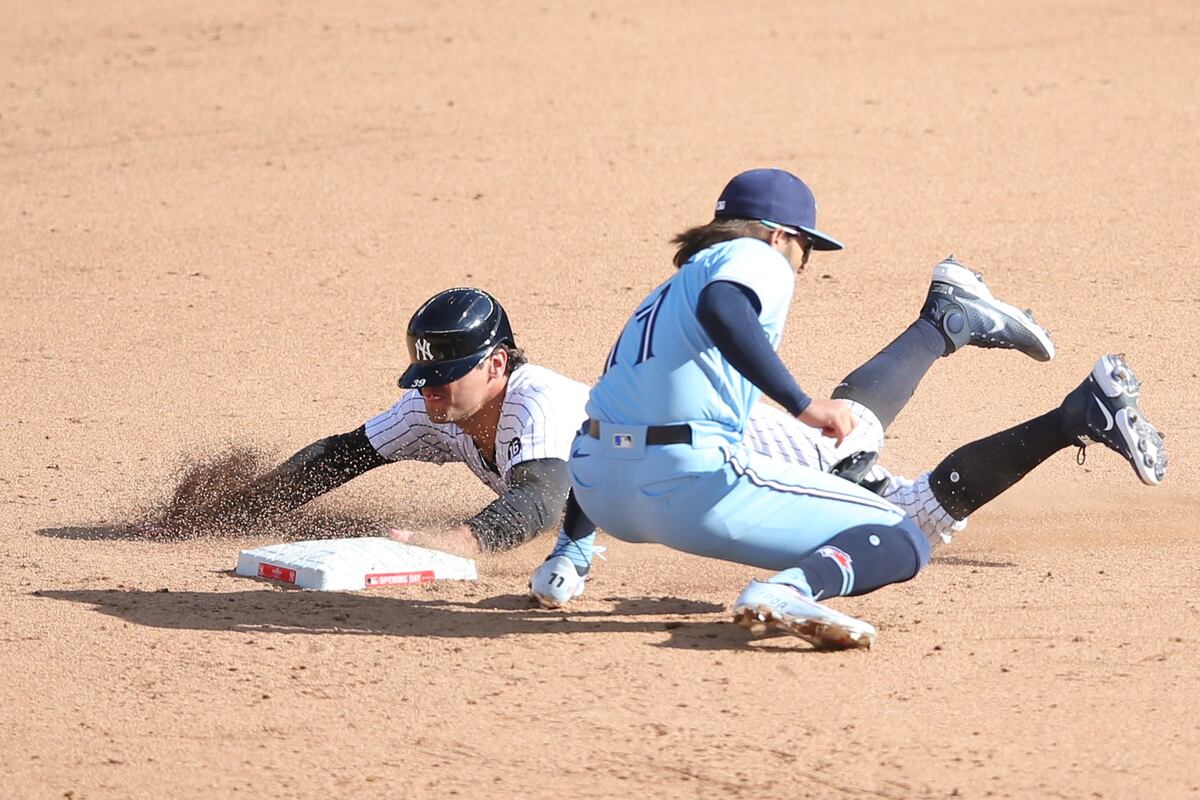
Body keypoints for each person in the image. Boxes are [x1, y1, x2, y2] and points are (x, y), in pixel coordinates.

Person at [529, 168, 1167, 649]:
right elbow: (726, 309)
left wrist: (571, 552)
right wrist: (803, 405)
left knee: (856, 447)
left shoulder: (659, 296)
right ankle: (1043, 394)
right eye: (805, 247)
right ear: (782, 235)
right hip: (687, 483)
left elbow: (609, 414)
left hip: (600, 490)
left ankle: (975, 340)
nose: (804, 265)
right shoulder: (754, 256)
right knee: (905, 531)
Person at [227, 287, 589, 554]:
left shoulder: (539, 404)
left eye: (448, 372)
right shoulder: (431, 408)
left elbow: (543, 500)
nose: (429, 386)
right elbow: (342, 457)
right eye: (425, 372)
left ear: (496, 364)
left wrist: (454, 543)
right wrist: (233, 510)